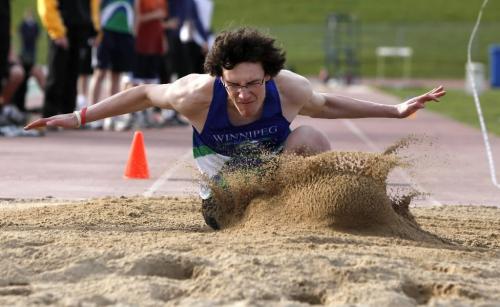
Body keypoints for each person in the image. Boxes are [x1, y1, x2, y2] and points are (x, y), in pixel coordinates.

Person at [25, 27, 446, 229]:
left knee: (311, 138)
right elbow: (142, 93)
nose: (244, 94)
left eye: (253, 84)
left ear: (269, 77)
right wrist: (77, 116)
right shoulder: (196, 95)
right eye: (234, 86)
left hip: (278, 170)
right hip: (227, 185)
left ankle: (331, 212)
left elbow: (327, 105)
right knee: (229, 212)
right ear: (220, 78)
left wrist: (395, 111)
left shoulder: (289, 88)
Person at [37, 0, 99, 120]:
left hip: (81, 28)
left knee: (73, 75)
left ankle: (69, 116)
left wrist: (95, 29)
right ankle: (50, 116)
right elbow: (46, 5)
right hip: (62, 28)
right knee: (56, 74)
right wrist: (57, 33)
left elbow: (93, 4)